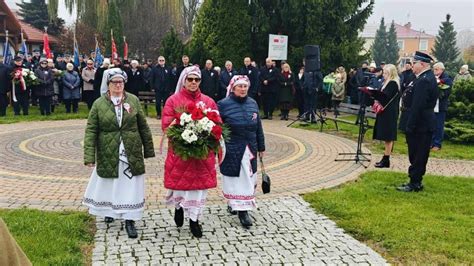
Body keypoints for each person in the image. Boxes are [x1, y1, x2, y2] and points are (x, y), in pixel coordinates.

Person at [83, 68, 155, 238]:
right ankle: (110, 211)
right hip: (109, 149)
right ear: (108, 84)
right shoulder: (99, 104)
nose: (118, 85)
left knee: (130, 185)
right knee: (111, 183)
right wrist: (89, 156)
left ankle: (130, 219)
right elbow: (91, 130)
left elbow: (143, 126)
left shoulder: (133, 100)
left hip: (131, 149)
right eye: (114, 82)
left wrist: (149, 149)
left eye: (120, 82)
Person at [162, 65, 220, 238]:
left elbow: (218, 123)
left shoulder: (208, 101)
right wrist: (184, 138)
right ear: (184, 80)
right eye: (190, 79)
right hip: (182, 153)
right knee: (181, 184)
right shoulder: (173, 100)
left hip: (202, 155)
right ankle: (178, 208)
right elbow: (167, 126)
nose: (193, 82)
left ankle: (194, 220)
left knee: (198, 189)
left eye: (197, 79)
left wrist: (206, 137)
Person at [217, 75, 265, 228]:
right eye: (240, 86)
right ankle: (241, 209)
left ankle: (242, 206)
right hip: (232, 148)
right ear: (233, 88)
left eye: (245, 86)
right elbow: (218, 128)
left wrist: (261, 146)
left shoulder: (253, 103)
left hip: (250, 147)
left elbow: (258, 126)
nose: (243, 89)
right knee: (235, 179)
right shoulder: (223, 105)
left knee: (248, 178)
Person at [397, 51, 438, 192]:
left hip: (421, 124)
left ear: (422, 64)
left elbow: (418, 105)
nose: (412, 65)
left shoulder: (424, 80)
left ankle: (415, 183)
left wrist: (411, 124)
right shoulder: (420, 78)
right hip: (420, 123)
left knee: (418, 154)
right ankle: (414, 180)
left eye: (415, 63)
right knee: (415, 153)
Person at [371, 64, 400, 168]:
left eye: (386, 73)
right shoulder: (387, 82)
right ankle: (385, 158)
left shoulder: (393, 83)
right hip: (386, 112)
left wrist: (374, 93)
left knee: (388, 137)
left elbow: (385, 97)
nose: (384, 75)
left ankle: (386, 159)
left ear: (391, 73)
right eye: (384, 73)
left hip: (389, 113)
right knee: (386, 136)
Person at [431, 62, 452, 151]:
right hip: (432, 106)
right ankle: (431, 143)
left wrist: (438, 87)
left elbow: (446, 93)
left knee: (439, 126)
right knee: (432, 124)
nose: (434, 71)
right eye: (434, 69)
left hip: (441, 106)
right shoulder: (432, 78)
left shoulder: (447, 79)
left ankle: (437, 144)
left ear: (442, 70)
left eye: (436, 69)